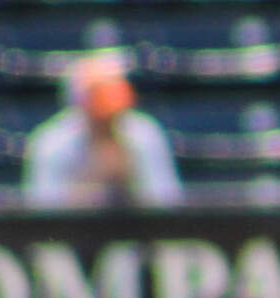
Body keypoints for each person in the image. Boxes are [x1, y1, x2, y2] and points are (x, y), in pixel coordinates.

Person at [22, 56, 182, 210]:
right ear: (81, 102)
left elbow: (168, 200)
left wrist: (130, 184)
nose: (109, 119)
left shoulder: (144, 134)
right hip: (70, 233)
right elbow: (40, 206)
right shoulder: (51, 142)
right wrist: (90, 191)